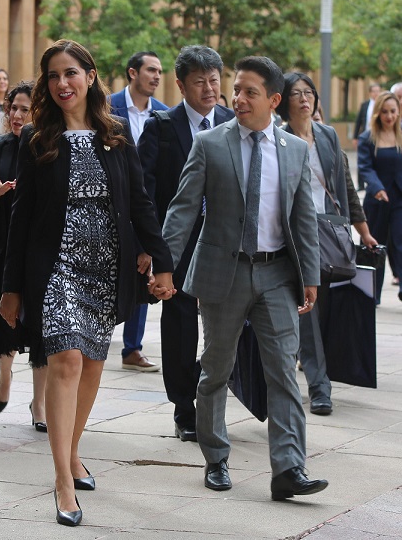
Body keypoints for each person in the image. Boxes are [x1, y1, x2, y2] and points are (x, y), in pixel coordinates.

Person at [0, 40, 174, 526]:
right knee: (67, 359)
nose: (62, 84)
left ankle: (73, 451)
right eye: (53, 76)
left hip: (105, 266)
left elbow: (139, 201)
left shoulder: (115, 134)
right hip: (55, 265)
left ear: (91, 76)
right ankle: (61, 480)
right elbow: (21, 215)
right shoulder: (36, 138)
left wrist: (160, 260)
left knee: (93, 363)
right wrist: (11, 287)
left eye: (71, 73)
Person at [162, 56, 328, 500]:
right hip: (224, 272)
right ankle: (216, 458)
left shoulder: (295, 150)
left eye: (249, 92)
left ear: (274, 100)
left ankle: (289, 469)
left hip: (277, 274)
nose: (237, 98)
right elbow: (181, 210)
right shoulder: (211, 144)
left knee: (283, 376)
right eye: (236, 90)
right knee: (216, 369)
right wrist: (164, 265)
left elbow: (304, 218)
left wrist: (309, 275)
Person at [138, 45, 235, 443]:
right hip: (177, 242)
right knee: (179, 325)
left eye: (215, 80)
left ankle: (212, 396)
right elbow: (144, 190)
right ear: (181, 84)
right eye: (200, 82)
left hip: (223, 240)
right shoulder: (162, 127)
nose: (210, 89)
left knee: (223, 323)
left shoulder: (232, 121)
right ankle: (184, 407)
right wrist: (151, 246)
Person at [278, 72, 378, 416]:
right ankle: (320, 388)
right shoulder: (279, 138)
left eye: (310, 92)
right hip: (294, 236)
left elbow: (345, 188)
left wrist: (363, 230)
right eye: (297, 93)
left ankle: (302, 371)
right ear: (283, 100)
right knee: (308, 308)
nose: (305, 99)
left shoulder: (328, 135)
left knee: (324, 310)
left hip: (331, 232)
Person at [0, 80, 48, 431]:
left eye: (26, 108)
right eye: (14, 108)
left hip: (40, 251)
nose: (18, 115)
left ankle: (39, 404)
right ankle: (5, 377)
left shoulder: (47, 146)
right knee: (5, 323)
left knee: (42, 331)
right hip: (3, 248)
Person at [108, 50, 167, 371]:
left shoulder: (163, 114)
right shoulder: (107, 106)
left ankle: (132, 347)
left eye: (160, 71)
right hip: (112, 202)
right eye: (151, 70)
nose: (157, 76)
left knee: (144, 269)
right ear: (133, 73)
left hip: (146, 204)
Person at [358, 91, 402, 304]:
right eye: (384, 112)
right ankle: (371, 294)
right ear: (377, 113)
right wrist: (376, 187)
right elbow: (364, 168)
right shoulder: (368, 138)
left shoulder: (401, 134)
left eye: (393, 111)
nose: (389, 116)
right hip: (377, 200)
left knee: (400, 242)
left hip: (399, 199)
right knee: (375, 247)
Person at [353, 82, 381, 149]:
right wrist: (355, 137)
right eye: (374, 91)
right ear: (370, 93)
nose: (376, 93)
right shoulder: (365, 105)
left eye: (377, 91)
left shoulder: (383, 105)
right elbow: (358, 121)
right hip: (366, 134)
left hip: (379, 135)